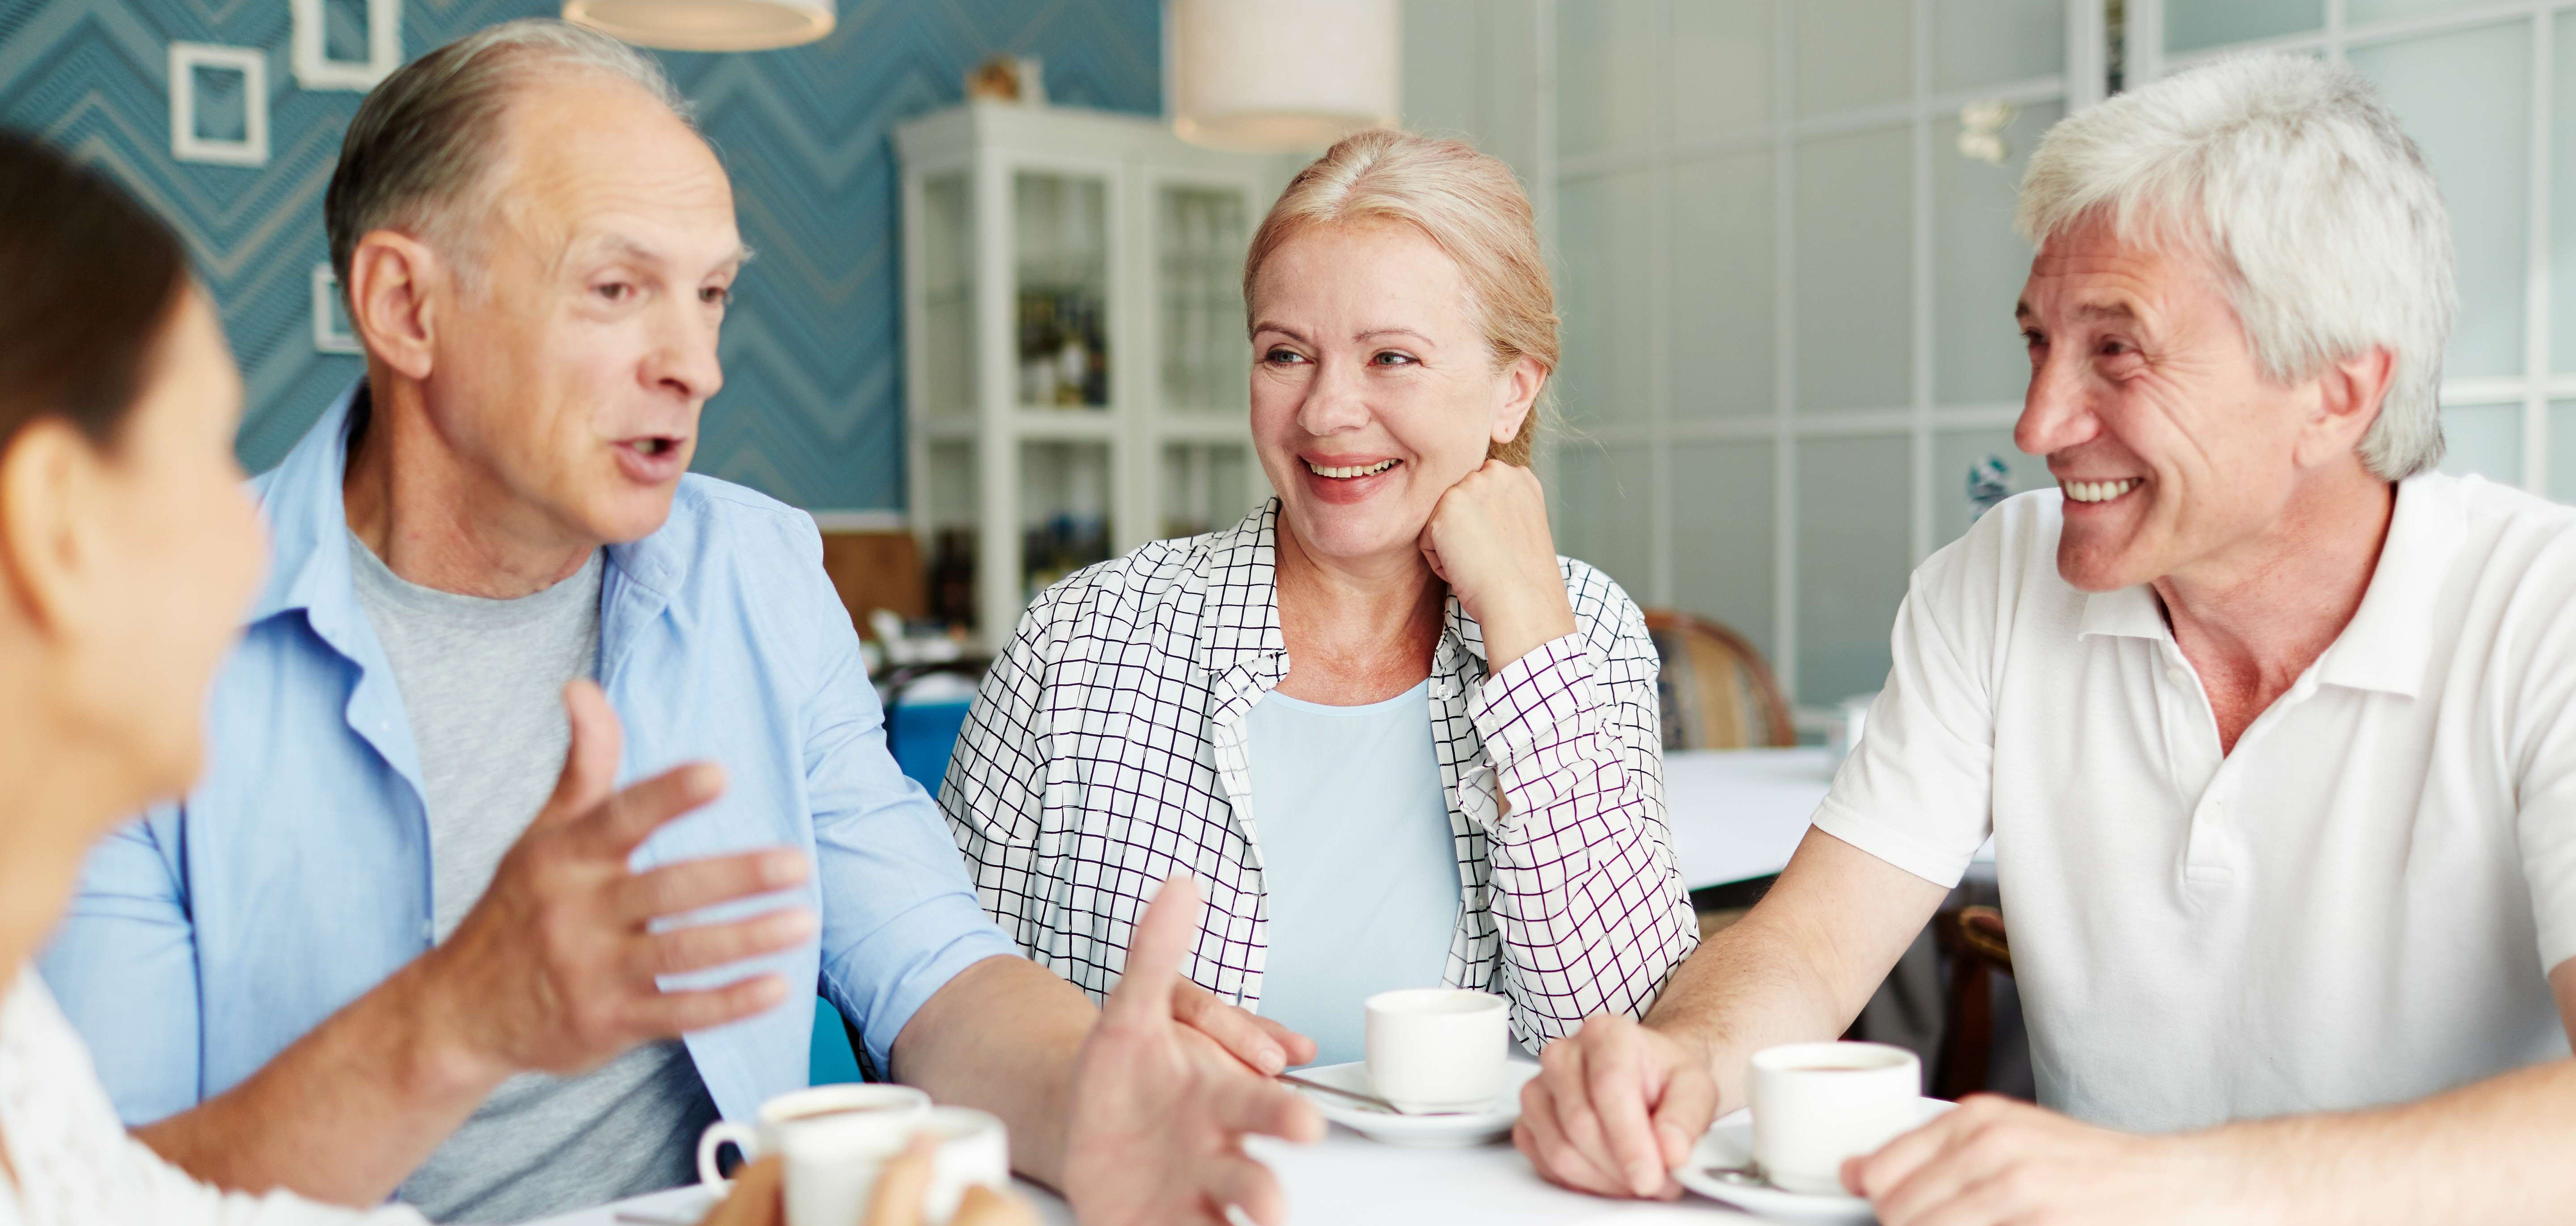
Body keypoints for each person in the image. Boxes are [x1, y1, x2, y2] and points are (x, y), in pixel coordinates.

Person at [38, 22, 1314, 1226]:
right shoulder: (123, 626)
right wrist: (458, 1016)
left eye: (710, 295)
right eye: (617, 287)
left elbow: (933, 965)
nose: (695, 364)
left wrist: (1095, 1092)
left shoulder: (756, 573)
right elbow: (94, 1189)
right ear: (406, 307)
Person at [1517, 51, 2576, 1224]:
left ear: (2336, 391)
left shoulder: (2546, 612)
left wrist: (2167, 1181)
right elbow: (1811, 947)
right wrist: (1684, 1060)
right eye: (2038, 342)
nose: (2037, 424)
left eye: (2117, 350)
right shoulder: (2001, 578)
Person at [943, 129, 1698, 1067]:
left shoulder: (1586, 631)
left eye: (1392, 358)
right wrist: (1084, 1060)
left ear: (1512, 391)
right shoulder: (1079, 639)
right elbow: (934, 1004)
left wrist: (1528, 634)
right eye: (1286, 354)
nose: (1326, 411)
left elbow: (1618, 1041)